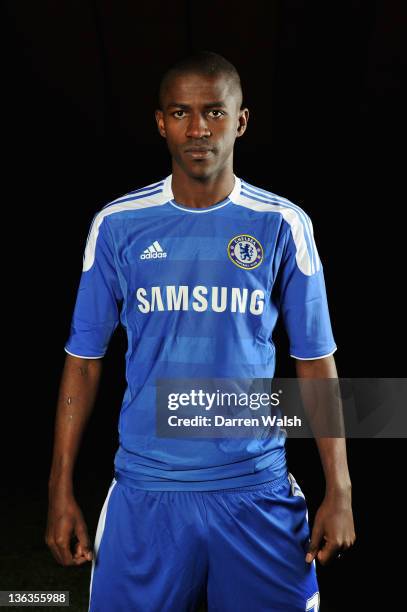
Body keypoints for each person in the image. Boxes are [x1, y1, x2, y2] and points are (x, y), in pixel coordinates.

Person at [46, 50, 355, 611]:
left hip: (256, 490)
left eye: (214, 112)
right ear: (161, 122)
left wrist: (341, 489)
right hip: (147, 491)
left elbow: (315, 361)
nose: (198, 129)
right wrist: (59, 487)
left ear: (240, 120)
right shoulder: (117, 225)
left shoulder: (284, 224)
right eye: (181, 112)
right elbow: (84, 360)